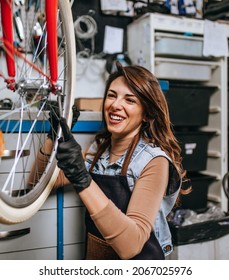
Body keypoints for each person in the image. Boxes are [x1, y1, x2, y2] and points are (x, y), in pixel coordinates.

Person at [31, 62, 187, 260]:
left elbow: (131, 246)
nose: (115, 104)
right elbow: (38, 182)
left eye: (129, 100)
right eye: (112, 95)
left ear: (146, 114)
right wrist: (53, 135)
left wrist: (82, 178)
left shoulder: (154, 162)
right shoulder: (98, 151)